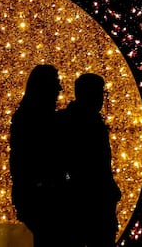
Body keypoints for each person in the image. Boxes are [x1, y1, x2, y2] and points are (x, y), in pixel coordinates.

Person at [57, 73, 122, 247]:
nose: (102, 98)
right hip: (88, 207)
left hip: (85, 205)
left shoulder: (67, 119)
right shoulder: (85, 123)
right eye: (99, 93)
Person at [9, 64, 63, 247]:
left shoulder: (29, 116)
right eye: (56, 83)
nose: (60, 88)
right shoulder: (36, 119)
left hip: (37, 194)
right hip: (42, 196)